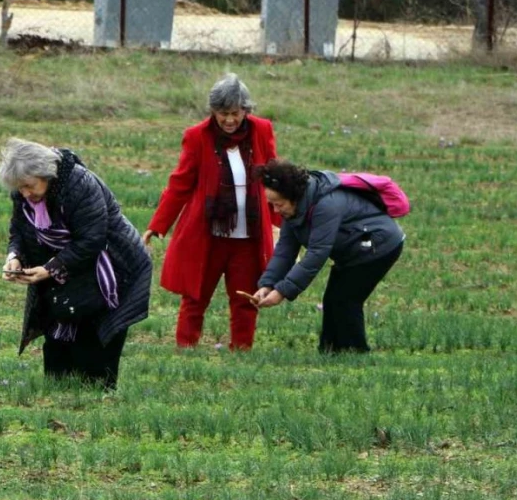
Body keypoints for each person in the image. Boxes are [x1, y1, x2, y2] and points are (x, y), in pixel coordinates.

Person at [0, 138, 152, 389]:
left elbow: (91, 240)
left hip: (109, 269)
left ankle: (95, 403)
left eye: (29, 186)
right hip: (64, 272)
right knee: (57, 351)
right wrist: (14, 257)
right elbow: (19, 230)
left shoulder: (80, 185)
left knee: (93, 346)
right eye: (20, 189)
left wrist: (49, 269)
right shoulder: (24, 192)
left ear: (45, 174)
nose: (25, 194)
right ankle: (59, 400)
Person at [142, 73, 278, 350]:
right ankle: (186, 347)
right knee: (195, 296)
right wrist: (158, 225)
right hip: (207, 234)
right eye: (222, 113)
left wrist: (280, 223)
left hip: (248, 234)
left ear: (246, 110)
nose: (229, 120)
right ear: (213, 112)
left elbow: (273, 177)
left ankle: (242, 350)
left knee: (245, 297)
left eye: (235, 113)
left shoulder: (262, 130)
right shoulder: (197, 136)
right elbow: (180, 183)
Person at [252, 159, 406, 353]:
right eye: (271, 205)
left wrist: (282, 291)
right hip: (354, 249)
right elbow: (285, 251)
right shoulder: (294, 212)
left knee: (345, 299)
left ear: (294, 197)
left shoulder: (326, 205)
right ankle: (330, 352)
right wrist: (268, 283)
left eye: (279, 204)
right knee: (333, 300)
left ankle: (354, 353)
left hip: (379, 246)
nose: (276, 210)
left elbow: (317, 254)